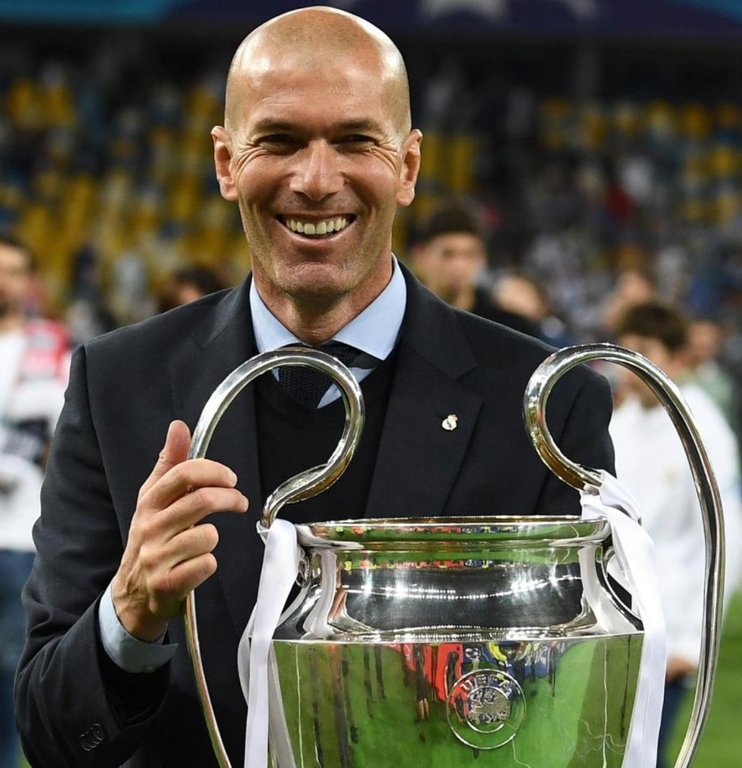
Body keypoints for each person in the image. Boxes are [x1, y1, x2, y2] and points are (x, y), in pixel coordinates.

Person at [16, 8, 614, 767]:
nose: (316, 180)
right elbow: (49, 735)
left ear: (408, 167)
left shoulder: (546, 405)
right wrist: (129, 615)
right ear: (227, 163)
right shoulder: (119, 385)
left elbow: (574, 715)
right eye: (281, 140)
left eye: (356, 141)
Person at [608, 300, 742, 768]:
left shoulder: (703, 429)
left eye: (643, 351)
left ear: (676, 358)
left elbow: (724, 542)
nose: (629, 366)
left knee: (650, 759)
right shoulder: (620, 424)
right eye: (624, 351)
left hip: (669, 630)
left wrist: (691, 640)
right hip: (617, 624)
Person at [0, 234, 69, 768]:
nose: (5, 280)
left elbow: (68, 442)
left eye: (15, 270)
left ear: (30, 281)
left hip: (20, 537)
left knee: (8, 666)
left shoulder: (53, 351)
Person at [410, 198, 540, 336]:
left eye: (469, 254)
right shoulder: (404, 322)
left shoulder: (509, 328)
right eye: (448, 254)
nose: (459, 266)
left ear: (482, 258)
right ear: (420, 255)